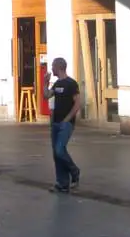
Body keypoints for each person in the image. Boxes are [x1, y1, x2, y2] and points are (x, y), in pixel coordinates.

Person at [42, 57, 82, 193]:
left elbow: (77, 103)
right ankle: (62, 183)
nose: (51, 69)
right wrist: (45, 83)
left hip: (66, 123)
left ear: (59, 67)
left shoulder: (71, 84)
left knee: (59, 149)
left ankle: (74, 171)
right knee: (56, 153)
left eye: (52, 66)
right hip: (55, 123)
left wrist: (68, 119)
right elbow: (46, 96)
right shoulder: (57, 83)